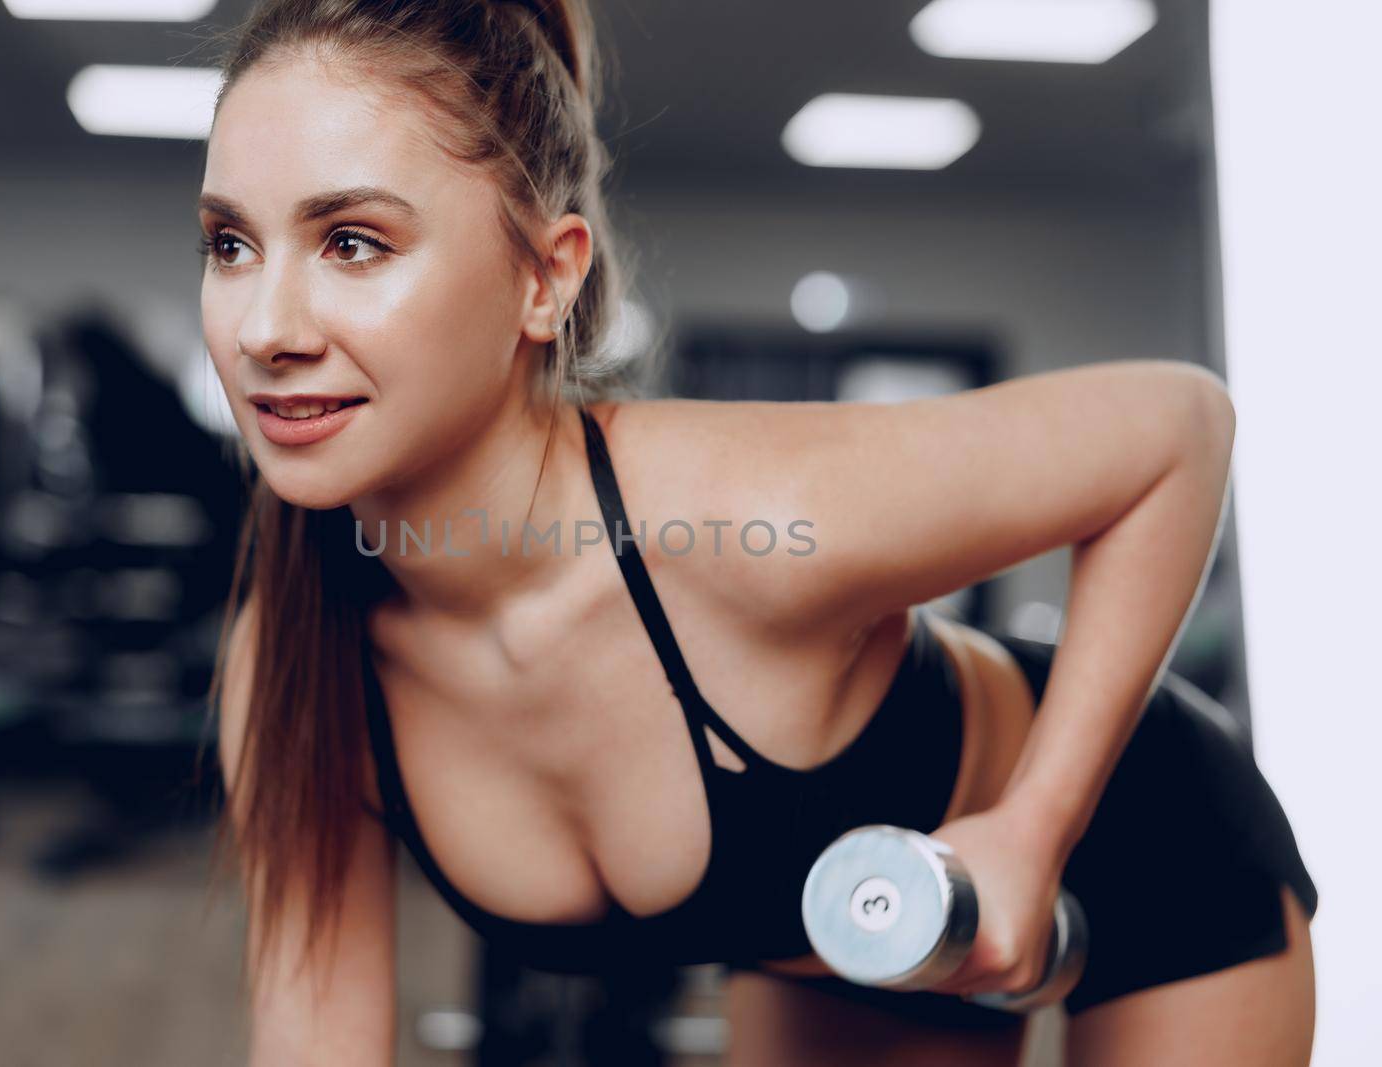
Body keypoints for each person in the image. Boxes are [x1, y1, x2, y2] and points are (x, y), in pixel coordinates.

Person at [197, 2, 1318, 1064]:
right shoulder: (296, 656)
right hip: (854, 936)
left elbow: (1176, 428)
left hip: (1145, 838)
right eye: (230, 243)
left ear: (547, 277)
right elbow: (314, 1038)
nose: (263, 328)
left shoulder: (746, 517)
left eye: (351, 242)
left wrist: (1032, 831)